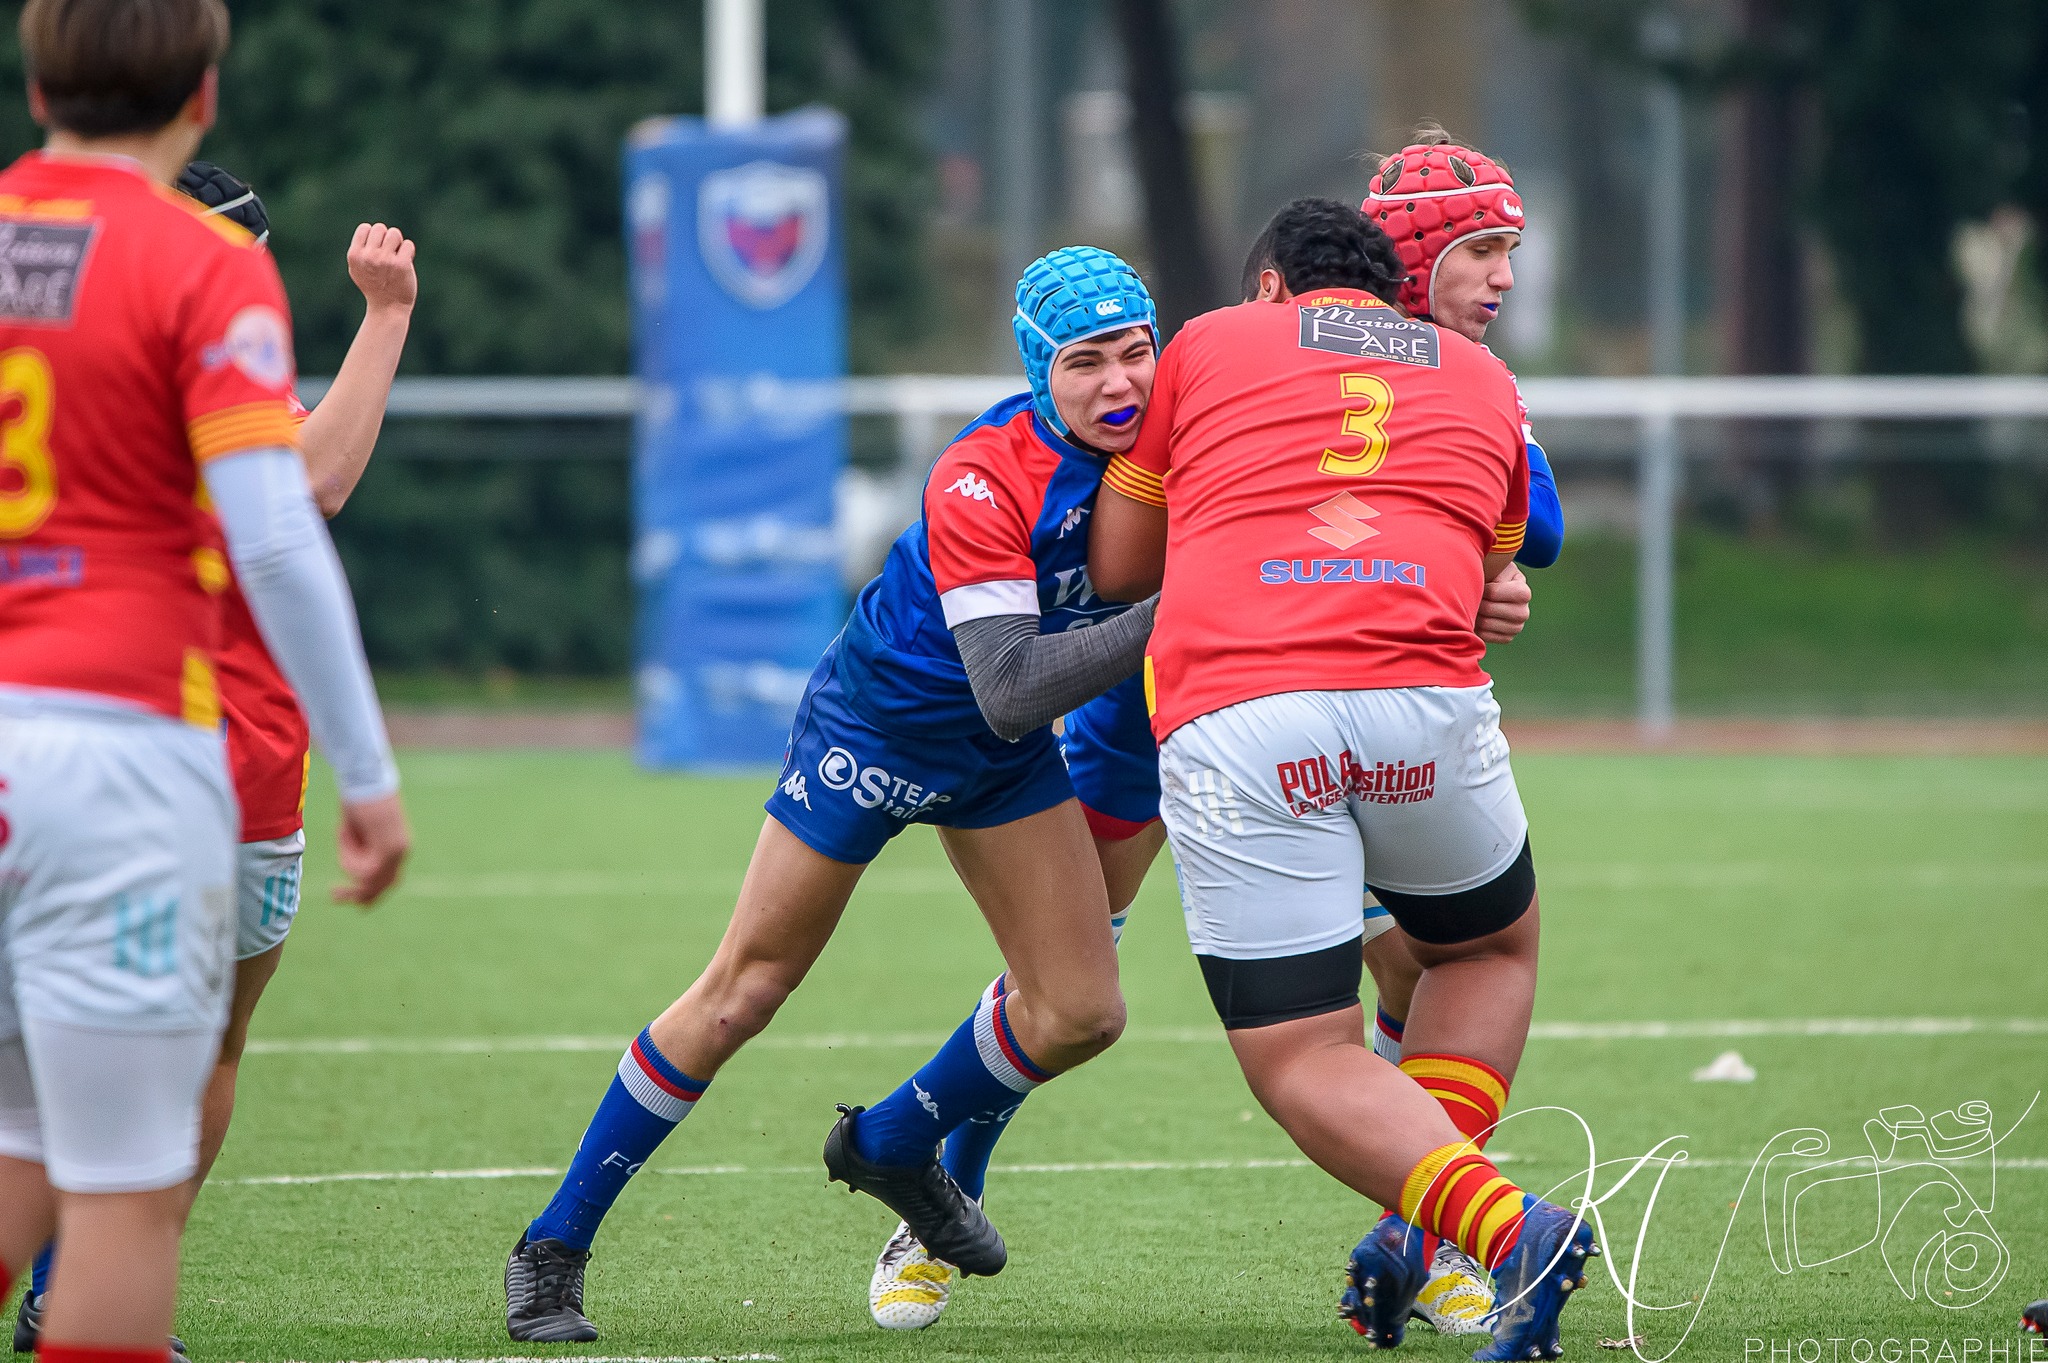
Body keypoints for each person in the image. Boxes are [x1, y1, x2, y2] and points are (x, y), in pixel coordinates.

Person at [863, 201, 1560, 1334]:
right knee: (1062, 977)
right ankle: (943, 1202)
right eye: (1483, 253)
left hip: (1242, 699)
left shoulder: (1229, 353)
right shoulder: (1022, 447)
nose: (1122, 377)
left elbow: (1507, 530)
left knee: (1399, 963)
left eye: (1135, 347)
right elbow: (1129, 565)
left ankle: (1425, 1238)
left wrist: (1458, 565)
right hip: (1150, 711)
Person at [502, 245, 1159, 1344]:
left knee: (1082, 1010)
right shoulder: (981, 472)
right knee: (741, 991)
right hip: (882, 731)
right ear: (1038, 371)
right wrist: (1184, 602)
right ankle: (553, 1244)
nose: (1119, 384)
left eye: (1137, 352)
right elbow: (1006, 688)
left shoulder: (1171, 437)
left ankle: (894, 1139)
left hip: (999, 762)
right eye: (1086, 361)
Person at [1088, 198, 1595, 1361]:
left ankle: (1509, 1228)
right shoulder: (1477, 374)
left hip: (1245, 713)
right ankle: (1422, 1235)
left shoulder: (1213, 340)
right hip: (1427, 707)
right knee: (1483, 949)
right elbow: (1493, 567)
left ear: (1269, 286)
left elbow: (1121, 568)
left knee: (1299, 1052)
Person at [0, 4, 409, 1363]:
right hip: (117, 752)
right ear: (205, 92)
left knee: (12, 1157)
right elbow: (283, 528)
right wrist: (369, 770)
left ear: (37, 74)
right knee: (119, 1187)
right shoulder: (200, 262)